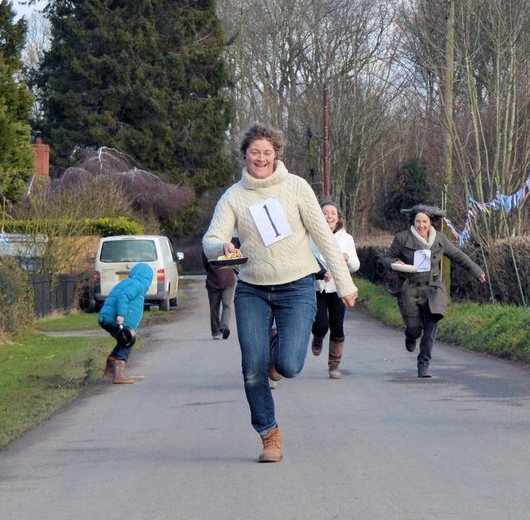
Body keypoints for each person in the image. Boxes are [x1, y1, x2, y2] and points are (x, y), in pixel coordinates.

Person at [202, 123, 357, 463]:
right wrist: (221, 245)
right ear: (245, 154)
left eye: (267, 153)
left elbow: (325, 238)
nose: (260, 158)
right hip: (252, 290)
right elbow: (211, 239)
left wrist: (344, 283)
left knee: (289, 363)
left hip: (298, 285)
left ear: (276, 155)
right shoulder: (234, 196)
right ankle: (268, 433)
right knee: (252, 368)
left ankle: (276, 351)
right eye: (254, 152)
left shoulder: (296, 187)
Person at [379, 204, 486, 379]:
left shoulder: (440, 239)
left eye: (425, 222)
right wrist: (397, 263)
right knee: (415, 330)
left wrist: (477, 271)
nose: (421, 225)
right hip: (410, 289)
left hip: (433, 290)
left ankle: (424, 365)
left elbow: (458, 256)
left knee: (431, 329)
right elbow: (386, 258)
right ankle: (410, 336)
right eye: (418, 221)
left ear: (430, 223)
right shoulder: (402, 238)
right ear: (413, 222)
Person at [310, 201, 360, 379]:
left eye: (333, 213)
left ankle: (334, 366)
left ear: (338, 218)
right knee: (321, 324)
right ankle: (318, 335)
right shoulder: (309, 235)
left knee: (337, 326)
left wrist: (347, 259)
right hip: (315, 287)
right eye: (325, 213)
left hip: (338, 288)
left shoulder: (346, 239)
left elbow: (355, 265)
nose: (329, 216)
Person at [98, 263, 153, 384]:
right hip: (115, 319)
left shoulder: (127, 282)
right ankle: (119, 375)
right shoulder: (137, 285)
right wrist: (121, 315)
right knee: (128, 342)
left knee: (122, 341)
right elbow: (123, 297)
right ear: (148, 279)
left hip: (105, 318)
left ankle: (110, 369)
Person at [201, 240, 238, 340]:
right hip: (225, 280)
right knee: (226, 306)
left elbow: (205, 264)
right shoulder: (229, 246)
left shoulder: (208, 248)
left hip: (216, 281)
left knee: (215, 308)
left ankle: (218, 331)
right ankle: (222, 327)